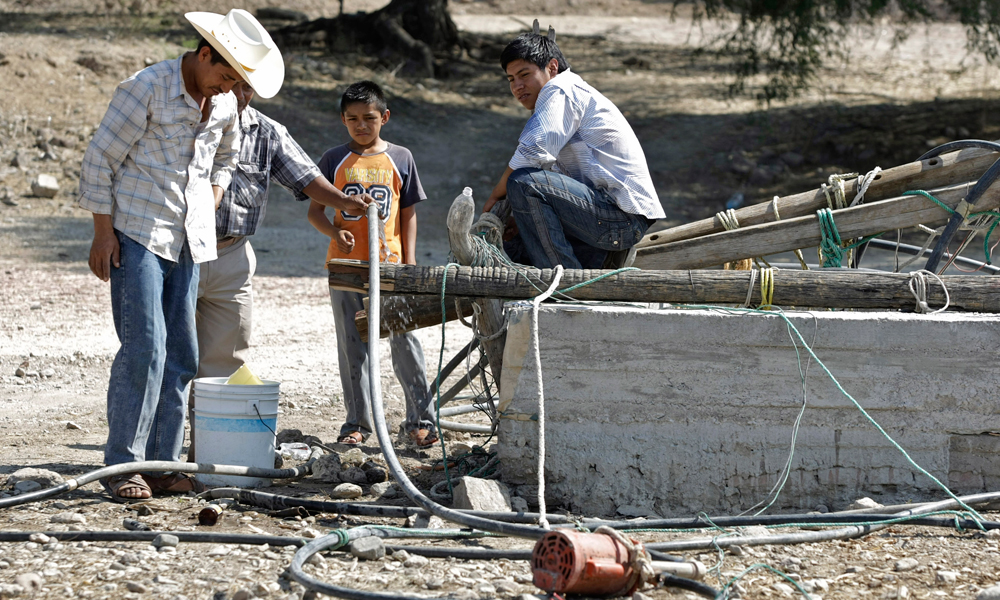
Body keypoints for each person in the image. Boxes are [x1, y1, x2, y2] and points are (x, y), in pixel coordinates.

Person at [78, 9, 283, 501]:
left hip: (189, 238)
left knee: (182, 355)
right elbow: (99, 158)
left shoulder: (227, 104)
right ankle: (122, 465)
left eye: (236, 81)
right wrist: (102, 233)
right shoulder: (145, 88)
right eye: (223, 75)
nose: (226, 87)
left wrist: (212, 196)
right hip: (137, 231)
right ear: (204, 54)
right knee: (145, 346)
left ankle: (162, 466)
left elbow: (228, 156)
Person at [188, 80, 373, 461]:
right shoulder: (187, 120)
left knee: (226, 357)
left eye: (246, 87)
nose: (238, 93)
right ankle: (162, 449)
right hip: (180, 251)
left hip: (232, 254)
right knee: (174, 353)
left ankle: (208, 449)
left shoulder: (267, 132)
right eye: (231, 83)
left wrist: (344, 202)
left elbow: (307, 179)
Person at [305, 81, 439, 448]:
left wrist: (410, 261)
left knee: (404, 341)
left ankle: (420, 421)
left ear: (385, 117)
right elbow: (314, 211)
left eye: (369, 118)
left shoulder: (401, 157)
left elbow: (408, 213)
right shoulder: (334, 159)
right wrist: (334, 232)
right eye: (352, 119)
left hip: (391, 268)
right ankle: (357, 423)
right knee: (353, 346)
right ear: (343, 121)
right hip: (346, 267)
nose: (361, 126)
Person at [482, 25, 665, 269]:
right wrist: (527, 217)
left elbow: (533, 150)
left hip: (620, 220)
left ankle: (563, 287)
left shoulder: (561, 89)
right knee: (515, 247)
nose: (517, 86)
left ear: (552, 67)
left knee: (524, 183)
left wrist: (496, 195)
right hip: (606, 218)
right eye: (511, 79)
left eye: (524, 75)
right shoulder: (563, 101)